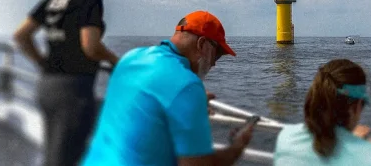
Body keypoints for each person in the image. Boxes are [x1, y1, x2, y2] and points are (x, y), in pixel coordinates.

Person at [81, 10, 254, 166]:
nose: (214, 63)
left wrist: (191, 106)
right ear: (202, 44)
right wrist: (237, 147)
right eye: (217, 54)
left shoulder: (130, 58)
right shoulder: (186, 85)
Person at [13, 0, 119, 166]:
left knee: (55, 153)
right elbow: (90, 46)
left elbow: (22, 35)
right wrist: (115, 60)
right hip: (73, 90)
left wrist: (42, 62)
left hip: (48, 86)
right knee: (68, 157)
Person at [273, 58, 371, 165]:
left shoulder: (286, 138)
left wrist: (346, 138)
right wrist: (354, 143)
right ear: (356, 107)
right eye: (363, 104)